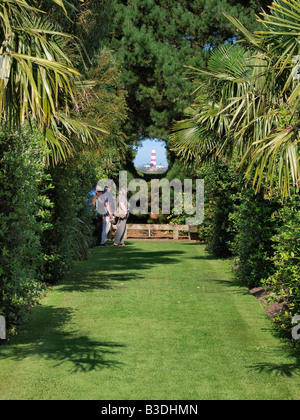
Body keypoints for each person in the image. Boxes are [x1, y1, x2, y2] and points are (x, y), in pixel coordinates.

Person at [100, 182, 115, 246]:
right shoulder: (107, 193)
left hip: (104, 213)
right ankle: (102, 242)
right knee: (105, 228)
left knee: (105, 228)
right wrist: (110, 213)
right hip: (107, 213)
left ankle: (103, 241)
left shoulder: (103, 192)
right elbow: (106, 204)